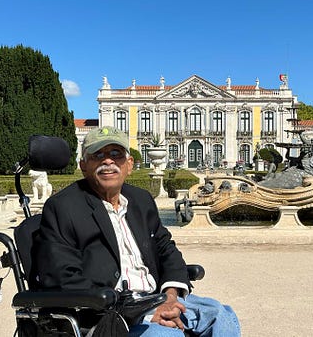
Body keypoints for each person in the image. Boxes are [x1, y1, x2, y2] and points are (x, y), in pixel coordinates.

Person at [33, 126, 240, 336]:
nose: (108, 161)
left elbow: (167, 249)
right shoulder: (63, 207)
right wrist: (142, 313)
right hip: (108, 314)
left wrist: (170, 296)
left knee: (222, 315)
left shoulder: (141, 200)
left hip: (156, 297)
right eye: (98, 155)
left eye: (116, 154)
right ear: (84, 165)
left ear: (129, 164)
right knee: (165, 334)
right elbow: (62, 277)